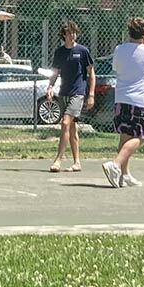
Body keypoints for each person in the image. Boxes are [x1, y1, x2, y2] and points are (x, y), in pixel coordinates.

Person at [101, 17, 144, 189]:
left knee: (125, 136)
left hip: (121, 99)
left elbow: (117, 68)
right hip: (139, 102)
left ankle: (124, 175)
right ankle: (116, 164)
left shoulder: (119, 49)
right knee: (139, 138)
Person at [45, 20, 95, 173]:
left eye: (74, 32)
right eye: (68, 33)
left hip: (78, 93)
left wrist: (91, 94)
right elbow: (55, 72)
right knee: (72, 128)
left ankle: (58, 160)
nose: (72, 35)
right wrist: (50, 87)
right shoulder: (59, 52)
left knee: (65, 123)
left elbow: (91, 73)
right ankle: (77, 162)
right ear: (64, 35)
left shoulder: (83, 51)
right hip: (64, 93)